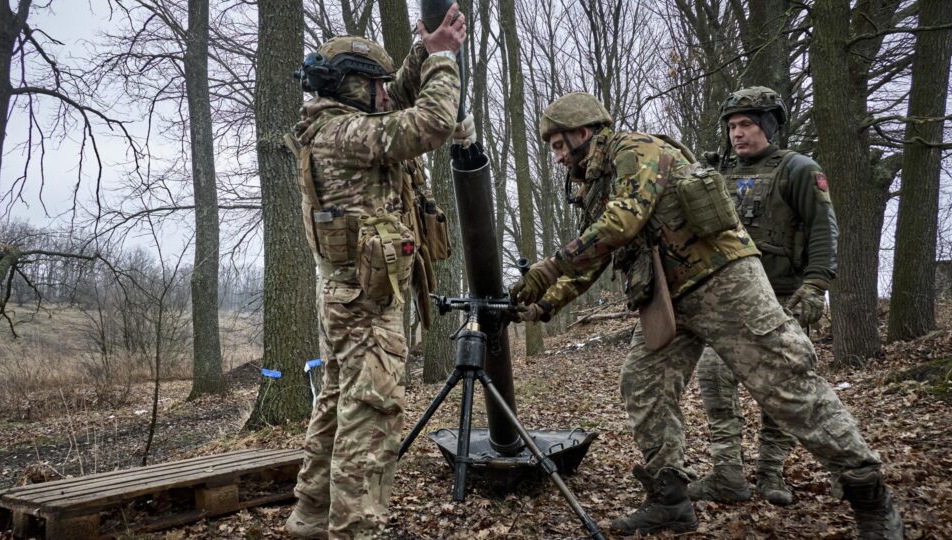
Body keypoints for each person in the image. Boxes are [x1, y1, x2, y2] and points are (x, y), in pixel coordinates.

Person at [512, 91, 903, 539]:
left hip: (724, 280)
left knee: (786, 383)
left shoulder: (635, 150)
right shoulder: (597, 181)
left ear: (583, 133)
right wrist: (544, 304)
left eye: (560, 146)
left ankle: (870, 497)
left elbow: (621, 223)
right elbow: (600, 250)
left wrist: (547, 269)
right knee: (644, 385)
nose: (558, 157)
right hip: (668, 295)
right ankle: (670, 501)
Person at [284, 6, 468, 538]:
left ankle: (312, 515)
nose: (385, 94)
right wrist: (441, 59)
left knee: (339, 404)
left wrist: (423, 48)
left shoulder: (335, 126)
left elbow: (398, 103)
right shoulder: (342, 133)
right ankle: (355, 528)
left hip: (351, 295)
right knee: (373, 415)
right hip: (365, 304)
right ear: (349, 88)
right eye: (376, 86)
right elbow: (429, 122)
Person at [688, 86, 839, 507]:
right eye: (732, 126)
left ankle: (771, 473)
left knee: (781, 389)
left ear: (769, 126)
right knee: (715, 380)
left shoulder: (799, 170)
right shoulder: (716, 173)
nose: (737, 134)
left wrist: (815, 287)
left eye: (747, 124)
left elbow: (824, 230)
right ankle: (727, 472)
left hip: (783, 296)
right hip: (728, 300)